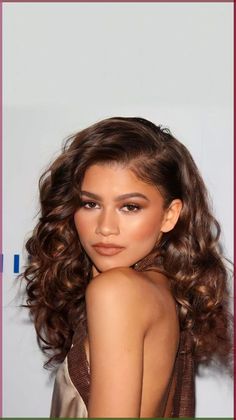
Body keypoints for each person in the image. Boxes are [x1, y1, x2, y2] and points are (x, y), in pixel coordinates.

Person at [21, 117, 232, 418]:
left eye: (130, 207)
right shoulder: (164, 291)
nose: (105, 227)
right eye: (90, 204)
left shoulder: (116, 291)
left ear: (169, 215)